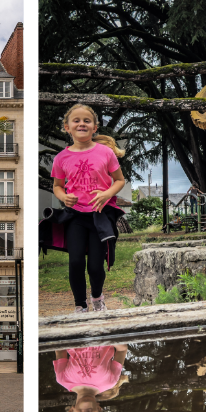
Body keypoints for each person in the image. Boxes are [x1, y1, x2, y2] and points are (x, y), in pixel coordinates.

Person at [51, 104, 126, 313]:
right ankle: (80, 306)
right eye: (76, 120)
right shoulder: (61, 158)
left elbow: (120, 180)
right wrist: (64, 197)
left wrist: (107, 193)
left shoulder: (105, 153)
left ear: (95, 127)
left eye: (87, 121)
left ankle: (97, 298)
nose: (81, 124)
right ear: (67, 127)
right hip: (75, 216)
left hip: (100, 215)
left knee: (95, 265)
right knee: (75, 262)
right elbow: (57, 186)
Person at [54, 345, 129, 412]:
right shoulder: (110, 382)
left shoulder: (63, 379)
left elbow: (60, 348)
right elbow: (122, 350)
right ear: (98, 409)